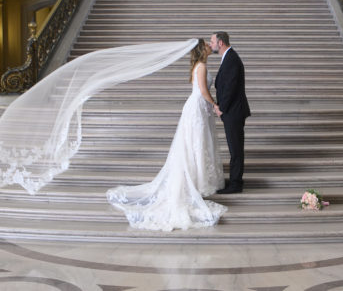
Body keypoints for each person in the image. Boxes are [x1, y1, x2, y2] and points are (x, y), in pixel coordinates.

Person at [106, 39, 227, 231]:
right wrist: (214, 104)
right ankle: (196, 183)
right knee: (196, 144)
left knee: (196, 144)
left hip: (196, 108)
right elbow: (203, 90)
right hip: (197, 107)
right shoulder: (201, 66)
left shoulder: (198, 65)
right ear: (200, 49)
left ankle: (196, 182)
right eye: (205, 44)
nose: (208, 47)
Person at [210, 32, 250, 194]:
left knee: (236, 149)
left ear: (220, 43)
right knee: (234, 148)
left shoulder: (232, 59)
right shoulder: (229, 57)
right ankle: (235, 181)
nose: (210, 44)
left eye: (212, 41)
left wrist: (221, 107)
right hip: (232, 111)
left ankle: (236, 184)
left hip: (233, 111)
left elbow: (231, 88)